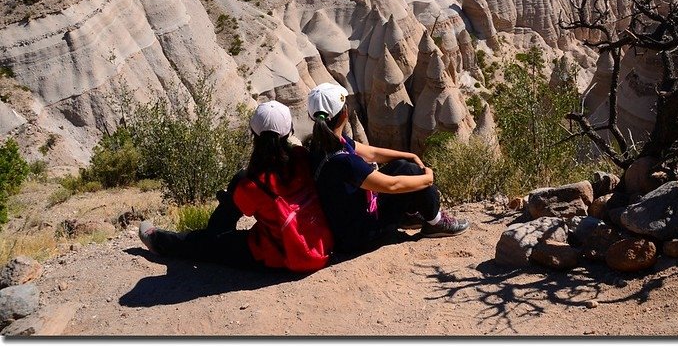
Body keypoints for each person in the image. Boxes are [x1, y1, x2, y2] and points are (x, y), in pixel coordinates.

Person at [138, 100, 333, 271]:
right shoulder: (303, 157)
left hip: (281, 257)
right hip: (321, 246)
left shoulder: (251, 183)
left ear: (254, 133)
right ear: (289, 129)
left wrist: (231, 195)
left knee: (209, 242)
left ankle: (159, 241)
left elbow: (226, 221)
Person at [307, 82, 469, 255]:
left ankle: (411, 215)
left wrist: (408, 155)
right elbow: (391, 185)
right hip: (362, 237)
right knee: (413, 174)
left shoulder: (322, 144)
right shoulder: (344, 162)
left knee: (402, 165)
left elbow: (372, 153)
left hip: (349, 224)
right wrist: (428, 178)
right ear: (344, 113)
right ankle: (435, 223)